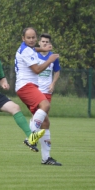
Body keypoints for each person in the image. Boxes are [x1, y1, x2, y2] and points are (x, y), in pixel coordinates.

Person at [15, 27, 62, 166]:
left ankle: (46, 158)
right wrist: (50, 59)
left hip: (29, 86)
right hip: (25, 85)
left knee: (46, 123)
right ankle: (30, 137)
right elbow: (37, 70)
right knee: (45, 105)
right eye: (28, 38)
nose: (31, 40)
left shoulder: (27, 48)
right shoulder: (26, 50)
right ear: (23, 38)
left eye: (33, 37)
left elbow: (34, 49)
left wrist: (43, 49)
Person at [32, 33, 61, 165]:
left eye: (46, 42)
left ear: (50, 44)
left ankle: (44, 154)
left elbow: (57, 71)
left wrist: (53, 83)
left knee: (45, 121)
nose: (44, 43)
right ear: (39, 43)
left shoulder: (53, 56)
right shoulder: (33, 54)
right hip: (35, 91)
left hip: (47, 92)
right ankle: (31, 137)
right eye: (42, 41)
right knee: (42, 120)